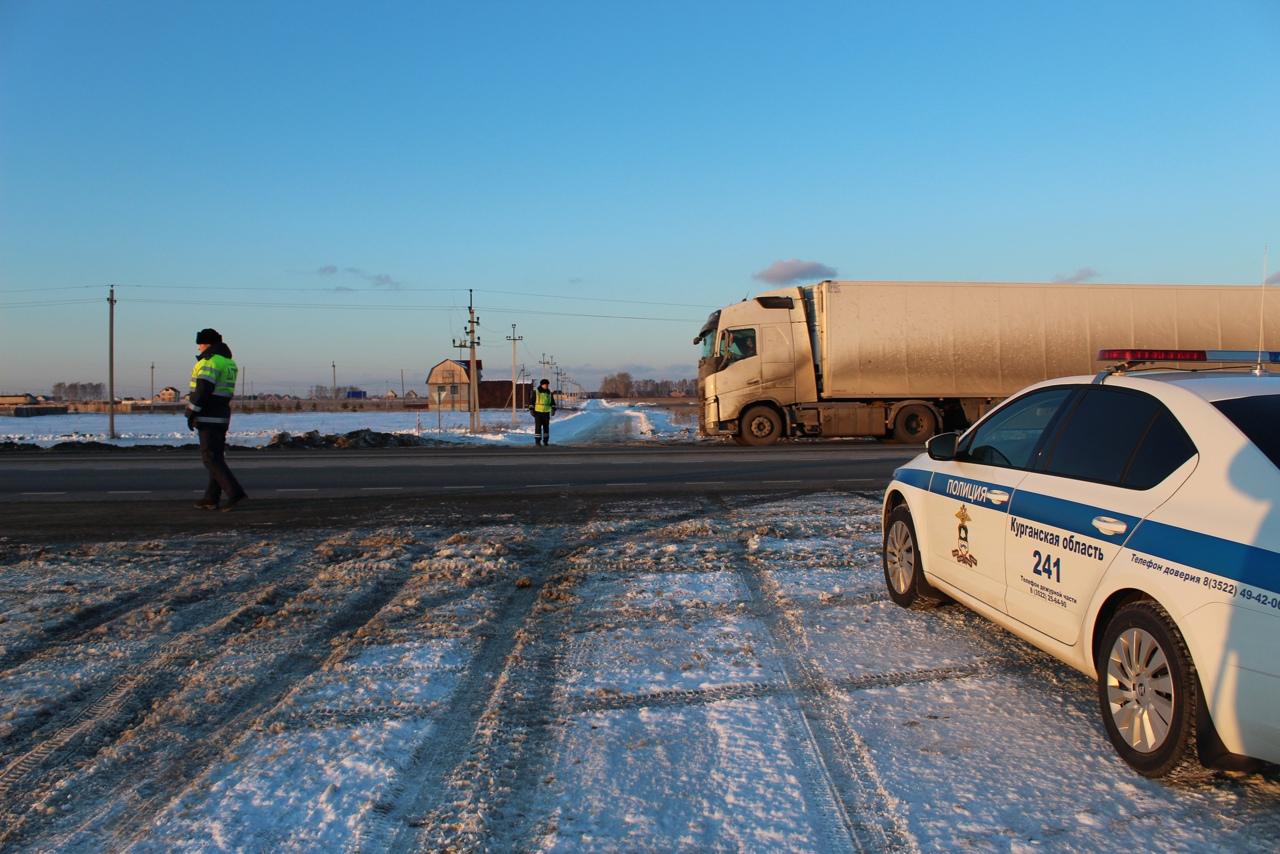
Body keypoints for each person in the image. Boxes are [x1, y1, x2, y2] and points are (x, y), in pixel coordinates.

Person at [188, 328, 248, 511]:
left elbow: (203, 390)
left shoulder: (210, 362)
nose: (198, 347)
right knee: (216, 457)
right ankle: (211, 498)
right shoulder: (229, 362)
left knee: (210, 457)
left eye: (200, 343)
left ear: (208, 344)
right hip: (221, 414)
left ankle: (235, 493)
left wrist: (191, 412)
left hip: (208, 414)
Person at [527, 378, 557, 446]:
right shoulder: (536, 392)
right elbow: (531, 402)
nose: (547, 386)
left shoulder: (549, 393)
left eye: (547, 385)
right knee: (538, 428)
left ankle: (545, 441)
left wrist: (553, 409)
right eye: (545, 385)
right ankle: (537, 442)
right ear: (542, 385)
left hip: (546, 413)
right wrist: (531, 410)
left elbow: (552, 402)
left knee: (546, 428)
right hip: (538, 413)